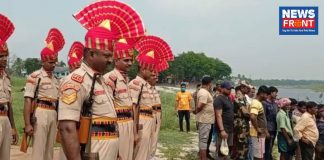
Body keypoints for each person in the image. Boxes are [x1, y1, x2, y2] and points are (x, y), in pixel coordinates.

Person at [59, 1, 146, 159]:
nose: (110, 60)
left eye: (111, 56)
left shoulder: (101, 82)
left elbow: (111, 122)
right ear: (91, 54)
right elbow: (67, 127)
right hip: (93, 150)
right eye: (106, 55)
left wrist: (117, 153)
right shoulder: (76, 81)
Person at [23, 28, 64, 160]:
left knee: (49, 150)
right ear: (43, 61)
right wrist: (28, 123)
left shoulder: (56, 79)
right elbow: (28, 100)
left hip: (53, 113)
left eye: (55, 62)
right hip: (40, 112)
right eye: (50, 62)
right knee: (39, 149)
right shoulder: (35, 77)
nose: (53, 65)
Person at [131, 35, 173, 160]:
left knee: (149, 152)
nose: (153, 73)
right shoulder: (135, 84)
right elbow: (133, 109)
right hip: (142, 125)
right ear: (142, 69)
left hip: (151, 122)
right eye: (151, 70)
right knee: (140, 154)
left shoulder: (148, 86)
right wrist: (134, 132)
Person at [104, 38, 136, 160]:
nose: (129, 63)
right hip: (118, 126)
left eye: (131, 60)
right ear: (116, 61)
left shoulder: (126, 79)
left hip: (128, 124)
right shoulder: (110, 79)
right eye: (126, 60)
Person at [58, 41, 84, 160]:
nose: (76, 69)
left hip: (82, 121)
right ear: (70, 67)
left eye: (78, 67)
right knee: (67, 150)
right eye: (74, 67)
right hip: (70, 117)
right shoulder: (66, 81)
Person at [0, 13, 18, 160]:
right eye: (1, 56)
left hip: (5, 118)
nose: (4, 59)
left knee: (5, 156)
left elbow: (9, 105)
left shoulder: (7, 77)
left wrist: (13, 127)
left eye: (6, 56)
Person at [214, 81, 234, 160]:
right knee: (221, 151)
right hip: (223, 128)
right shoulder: (219, 99)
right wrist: (222, 130)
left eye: (230, 89)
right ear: (222, 89)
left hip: (230, 128)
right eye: (228, 89)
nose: (230, 90)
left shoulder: (228, 98)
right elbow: (218, 115)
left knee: (227, 150)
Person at [196, 76, 214, 160]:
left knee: (203, 139)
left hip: (205, 119)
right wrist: (195, 111)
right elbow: (200, 105)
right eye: (211, 83)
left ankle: (201, 157)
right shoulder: (204, 92)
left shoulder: (204, 92)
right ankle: (203, 158)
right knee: (204, 140)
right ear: (209, 84)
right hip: (205, 120)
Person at [249, 85, 269, 160]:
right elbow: (252, 116)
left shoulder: (258, 103)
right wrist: (258, 129)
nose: (267, 97)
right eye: (267, 95)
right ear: (262, 94)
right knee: (258, 156)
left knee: (259, 154)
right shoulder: (256, 103)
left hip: (259, 134)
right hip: (257, 134)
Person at [232, 86, 250, 160]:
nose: (247, 89)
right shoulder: (237, 100)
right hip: (240, 125)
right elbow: (246, 113)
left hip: (244, 125)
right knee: (241, 144)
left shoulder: (245, 99)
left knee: (244, 144)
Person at [263, 86, 279, 160]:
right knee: (266, 148)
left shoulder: (275, 104)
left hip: (274, 128)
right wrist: (266, 131)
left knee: (271, 147)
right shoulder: (264, 103)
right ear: (271, 93)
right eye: (275, 93)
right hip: (267, 128)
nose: (276, 95)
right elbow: (263, 117)